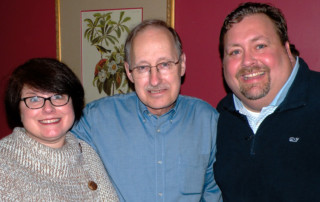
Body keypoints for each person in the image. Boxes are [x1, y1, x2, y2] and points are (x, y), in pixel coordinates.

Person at [72, 19, 222, 201]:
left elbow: (213, 194)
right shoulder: (97, 119)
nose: (155, 80)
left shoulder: (207, 121)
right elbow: (48, 152)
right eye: (143, 67)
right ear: (129, 72)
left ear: (182, 64)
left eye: (165, 64)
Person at [214, 2, 320, 201]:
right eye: (235, 52)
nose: (247, 61)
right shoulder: (219, 118)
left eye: (260, 46)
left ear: (287, 50)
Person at [0, 58, 119, 201]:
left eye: (58, 96)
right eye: (34, 99)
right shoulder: (4, 165)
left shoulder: (86, 153)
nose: (49, 109)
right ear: (18, 109)